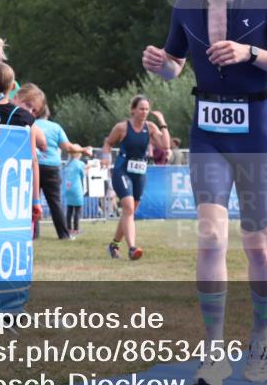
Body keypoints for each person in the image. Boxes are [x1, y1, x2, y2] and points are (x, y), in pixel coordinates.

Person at [142, 0, 267, 385]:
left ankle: (261, 335)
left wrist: (249, 54)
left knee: (256, 243)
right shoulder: (186, 6)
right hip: (208, 130)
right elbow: (176, 66)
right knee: (211, 235)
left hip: (255, 130)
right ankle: (214, 351)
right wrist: (161, 64)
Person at [19, 84, 93, 240]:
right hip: (52, 167)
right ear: (48, 114)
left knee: (33, 199)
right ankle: (63, 234)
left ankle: (33, 234)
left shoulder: (30, 122)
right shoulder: (56, 127)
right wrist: (82, 150)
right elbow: (67, 147)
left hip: (34, 164)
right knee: (55, 202)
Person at [102, 95, 170, 259]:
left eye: (147, 109)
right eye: (141, 108)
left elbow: (165, 145)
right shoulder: (122, 127)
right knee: (129, 208)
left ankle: (113, 245)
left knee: (129, 212)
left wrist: (162, 122)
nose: (144, 112)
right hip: (122, 170)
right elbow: (108, 142)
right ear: (133, 110)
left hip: (139, 172)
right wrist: (105, 156)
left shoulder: (151, 127)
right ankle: (132, 248)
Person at [0, 62, 45, 232]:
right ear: (13, 87)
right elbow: (33, 160)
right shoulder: (24, 118)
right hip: (12, 182)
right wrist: (35, 201)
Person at [64, 150, 86, 239]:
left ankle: (68, 228)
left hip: (68, 188)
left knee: (69, 210)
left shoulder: (68, 163)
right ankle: (76, 229)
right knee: (77, 210)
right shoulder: (80, 163)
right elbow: (82, 175)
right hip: (77, 189)